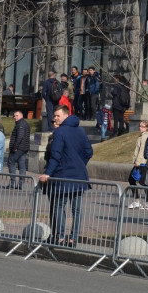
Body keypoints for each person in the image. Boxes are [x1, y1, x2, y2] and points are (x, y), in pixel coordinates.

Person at [38, 105, 93, 246]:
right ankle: (73, 238)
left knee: (58, 206)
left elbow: (55, 155)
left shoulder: (60, 132)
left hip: (63, 175)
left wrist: (47, 173)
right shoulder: (81, 130)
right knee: (76, 210)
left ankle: (61, 237)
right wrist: (80, 164)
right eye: (54, 116)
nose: (55, 118)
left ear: (66, 115)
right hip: (79, 175)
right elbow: (89, 152)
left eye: (58, 115)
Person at [127, 121, 148, 210]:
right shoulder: (142, 136)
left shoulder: (145, 137)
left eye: (142, 126)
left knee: (142, 182)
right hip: (140, 162)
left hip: (141, 163)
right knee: (141, 182)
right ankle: (141, 201)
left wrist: (137, 162)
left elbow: (142, 151)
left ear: (147, 128)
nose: (140, 128)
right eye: (140, 126)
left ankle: (144, 202)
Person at [5, 110, 30, 189]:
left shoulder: (20, 124)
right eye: (14, 116)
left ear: (21, 116)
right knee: (22, 166)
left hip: (18, 148)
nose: (15, 117)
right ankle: (20, 184)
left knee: (11, 163)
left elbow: (20, 136)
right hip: (24, 148)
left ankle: (12, 183)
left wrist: (14, 147)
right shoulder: (25, 123)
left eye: (17, 115)